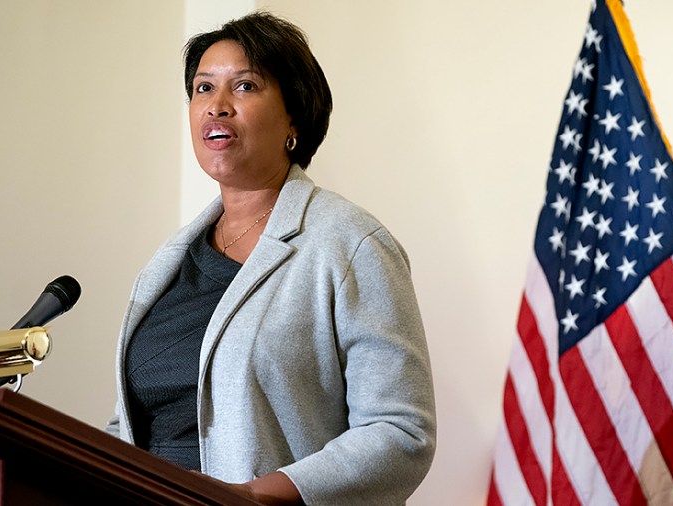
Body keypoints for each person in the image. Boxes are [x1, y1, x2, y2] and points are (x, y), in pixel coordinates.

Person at [105, 11, 436, 506]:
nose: (216, 107)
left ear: (294, 118)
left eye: (243, 87)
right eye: (202, 89)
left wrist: (254, 497)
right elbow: (128, 426)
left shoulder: (348, 242)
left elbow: (400, 431)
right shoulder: (167, 263)